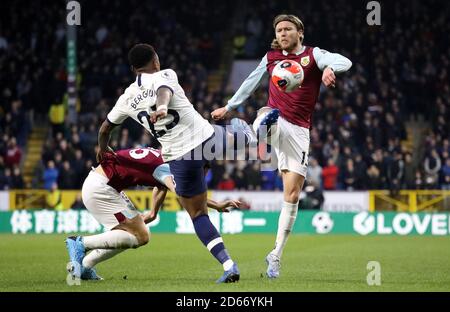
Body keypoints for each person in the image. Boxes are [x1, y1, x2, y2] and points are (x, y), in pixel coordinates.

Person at [95, 44, 256, 283]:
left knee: (199, 216)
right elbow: (163, 91)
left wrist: (102, 148)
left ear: (133, 69)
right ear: (156, 61)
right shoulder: (165, 74)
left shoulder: (126, 98)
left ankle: (229, 264)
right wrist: (161, 107)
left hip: (181, 158)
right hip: (206, 140)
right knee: (235, 135)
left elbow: (105, 128)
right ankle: (254, 133)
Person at [212, 14, 352, 278]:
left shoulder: (313, 55)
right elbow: (250, 82)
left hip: (299, 131)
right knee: (267, 115)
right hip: (277, 119)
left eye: (288, 29)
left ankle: (275, 255)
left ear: (300, 32)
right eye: (279, 30)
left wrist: (330, 68)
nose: (283, 34)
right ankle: (255, 130)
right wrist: (230, 107)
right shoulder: (271, 58)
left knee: (292, 196)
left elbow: (345, 60)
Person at [66, 147, 242, 280]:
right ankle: (80, 243)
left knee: (138, 235)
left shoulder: (168, 156)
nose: (199, 180)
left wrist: (153, 212)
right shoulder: (171, 169)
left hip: (104, 184)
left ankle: (85, 266)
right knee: (141, 236)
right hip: (101, 189)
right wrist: (217, 205)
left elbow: (160, 185)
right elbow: (184, 194)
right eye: (201, 174)